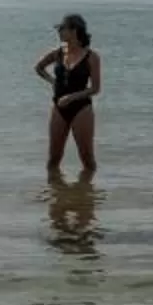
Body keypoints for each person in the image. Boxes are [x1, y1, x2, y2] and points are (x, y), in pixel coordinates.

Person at [35, 12, 103, 179]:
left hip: (81, 109)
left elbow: (95, 88)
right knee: (53, 159)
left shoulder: (91, 56)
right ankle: (55, 197)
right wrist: (53, 82)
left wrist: (71, 97)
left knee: (87, 158)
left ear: (74, 31)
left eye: (62, 28)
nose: (59, 32)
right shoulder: (58, 53)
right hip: (59, 108)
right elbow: (39, 68)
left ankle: (87, 195)